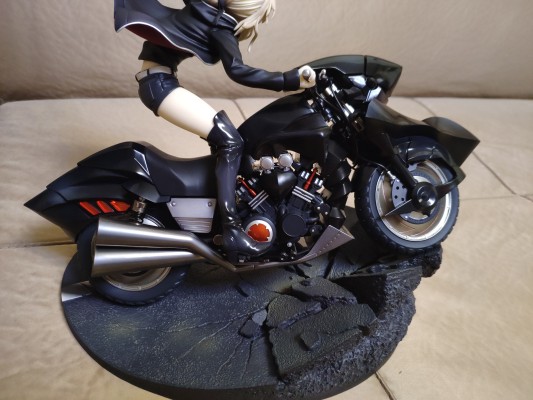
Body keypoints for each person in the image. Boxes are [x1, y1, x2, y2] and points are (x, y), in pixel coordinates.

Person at [114, 0, 316, 260]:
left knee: (228, 141)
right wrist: (290, 79)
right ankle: (232, 229)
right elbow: (239, 71)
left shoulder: (204, 10)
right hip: (160, 84)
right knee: (231, 142)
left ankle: (221, 207)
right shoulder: (219, 24)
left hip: (159, 80)